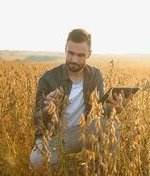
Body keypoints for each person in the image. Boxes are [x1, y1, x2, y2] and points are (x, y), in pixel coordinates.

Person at [29, 28, 125, 166]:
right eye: (71, 53)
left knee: (112, 126)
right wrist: (47, 109)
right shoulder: (48, 78)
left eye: (80, 55)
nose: (74, 59)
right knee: (36, 161)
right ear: (65, 49)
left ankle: (101, 169)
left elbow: (100, 112)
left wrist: (114, 109)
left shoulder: (95, 76)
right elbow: (36, 120)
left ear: (89, 54)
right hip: (53, 137)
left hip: (82, 132)